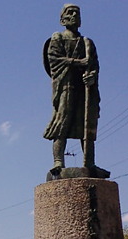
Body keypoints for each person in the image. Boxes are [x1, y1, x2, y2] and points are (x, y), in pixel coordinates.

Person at [43, 4, 101, 175]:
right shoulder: (57, 38)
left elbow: (94, 65)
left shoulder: (87, 42)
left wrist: (92, 76)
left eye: (77, 13)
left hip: (84, 88)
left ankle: (90, 162)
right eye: (70, 12)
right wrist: (77, 63)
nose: (74, 15)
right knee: (62, 121)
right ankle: (58, 161)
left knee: (86, 123)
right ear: (62, 19)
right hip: (66, 86)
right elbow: (54, 60)